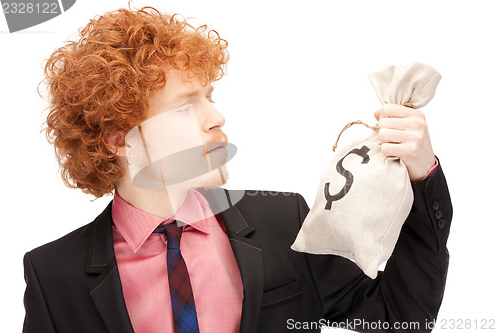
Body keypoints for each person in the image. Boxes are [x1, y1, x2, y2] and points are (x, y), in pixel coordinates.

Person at [23, 6, 452, 333]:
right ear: (119, 139)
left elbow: (401, 317)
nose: (216, 118)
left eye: (209, 98)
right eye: (186, 107)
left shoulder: (286, 225)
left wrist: (421, 174)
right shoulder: (54, 275)